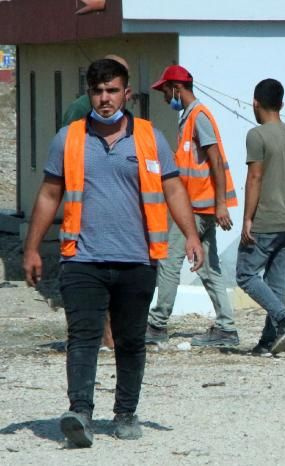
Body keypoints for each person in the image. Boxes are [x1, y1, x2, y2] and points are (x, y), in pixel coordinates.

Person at [22, 58, 203, 447]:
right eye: (97, 91)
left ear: (127, 94)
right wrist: (32, 248)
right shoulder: (68, 138)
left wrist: (191, 235)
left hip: (137, 259)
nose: (105, 99)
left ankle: (125, 413)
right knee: (83, 336)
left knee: (130, 339)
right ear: (89, 94)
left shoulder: (150, 137)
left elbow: (173, 189)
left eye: (112, 90)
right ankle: (80, 414)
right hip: (81, 258)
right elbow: (49, 194)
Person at [146, 65, 239, 347]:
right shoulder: (189, 118)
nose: (164, 97)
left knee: (170, 261)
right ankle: (226, 327)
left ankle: (157, 324)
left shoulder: (199, 117)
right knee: (209, 268)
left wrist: (221, 204)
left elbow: (216, 160)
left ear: (177, 88)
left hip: (197, 208)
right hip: (197, 207)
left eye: (165, 90)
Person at [62, 54, 131, 351]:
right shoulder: (80, 111)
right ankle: (104, 337)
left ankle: (110, 336)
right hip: (86, 206)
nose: (108, 96)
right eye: (102, 89)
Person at [235, 79, 285, 356]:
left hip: (266, 219)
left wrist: (247, 219)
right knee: (276, 282)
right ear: (282, 104)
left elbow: (255, 177)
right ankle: (269, 341)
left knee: (245, 274)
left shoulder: (257, 135)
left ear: (255, 102)